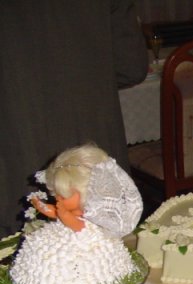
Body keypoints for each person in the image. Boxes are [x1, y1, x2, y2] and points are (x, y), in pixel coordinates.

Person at [0, 0, 148, 236]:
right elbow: (131, 67)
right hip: (91, 140)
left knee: (17, 247)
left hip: (17, 150)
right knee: (104, 249)